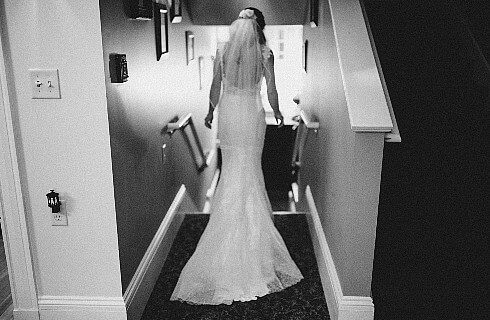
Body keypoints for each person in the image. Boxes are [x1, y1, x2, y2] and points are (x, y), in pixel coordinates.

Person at [170, 7, 303, 305]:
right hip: (251, 114)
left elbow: (216, 87)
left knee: (232, 168)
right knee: (250, 168)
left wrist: (209, 112)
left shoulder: (224, 50)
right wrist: (278, 111)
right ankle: (252, 238)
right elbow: (271, 89)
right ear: (259, 27)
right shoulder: (265, 53)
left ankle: (228, 228)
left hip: (229, 113)